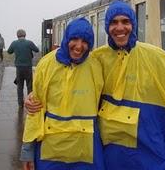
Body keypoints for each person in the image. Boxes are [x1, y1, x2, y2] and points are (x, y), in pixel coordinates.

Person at [26, 0, 165, 169]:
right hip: (110, 147)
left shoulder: (156, 57)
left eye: (125, 21)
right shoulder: (97, 58)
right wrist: (31, 101)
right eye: (114, 22)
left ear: (134, 24)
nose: (120, 27)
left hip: (146, 147)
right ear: (107, 27)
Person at [20, 18, 104, 170]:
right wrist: (28, 150)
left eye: (85, 41)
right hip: (51, 152)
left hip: (86, 151)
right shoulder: (46, 64)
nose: (79, 46)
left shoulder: (96, 66)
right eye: (74, 39)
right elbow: (35, 112)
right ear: (66, 38)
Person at [7, 29, 39, 107]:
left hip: (19, 68)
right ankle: (30, 102)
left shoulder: (14, 43)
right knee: (29, 86)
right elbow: (37, 50)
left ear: (17, 35)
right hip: (28, 67)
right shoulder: (29, 43)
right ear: (25, 35)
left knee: (20, 86)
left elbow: (9, 51)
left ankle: (20, 103)